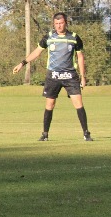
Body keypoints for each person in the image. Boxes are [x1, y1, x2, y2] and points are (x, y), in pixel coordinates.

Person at [13, 12, 92, 141]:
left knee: (78, 103)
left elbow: (80, 57)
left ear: (66, 23)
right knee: (50, 104)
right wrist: (22, 63)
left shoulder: (74, 38)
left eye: (61, 23)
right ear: (53, 24)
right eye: (56, 24)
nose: (59, 26)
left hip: (70, 75)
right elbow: (37, 52)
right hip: (53, 76)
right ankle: (45, 134)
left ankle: (86, 133)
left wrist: (83, 77)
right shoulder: (48, 37)